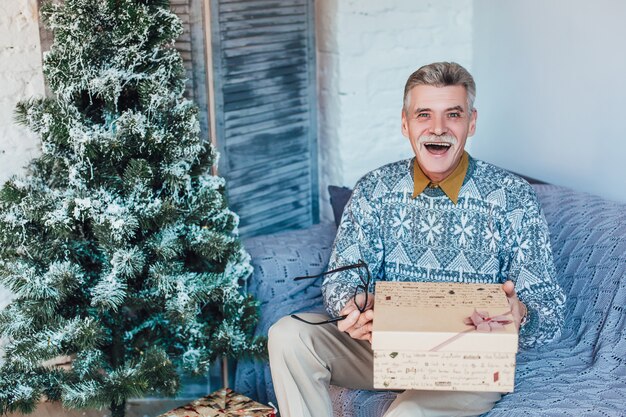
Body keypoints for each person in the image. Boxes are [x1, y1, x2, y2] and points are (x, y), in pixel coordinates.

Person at [268, 62, 566, 417]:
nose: (437, 128)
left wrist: (523, 314)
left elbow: (549, 309)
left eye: (452, 114)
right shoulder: (373, 189)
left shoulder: (512, 197)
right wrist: (353, 304)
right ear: (405, 123)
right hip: (384, 348)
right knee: (289, 335)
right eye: (424, 114)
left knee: (405, 413)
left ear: (471, 123)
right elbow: (341, 279)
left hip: (468, 362)